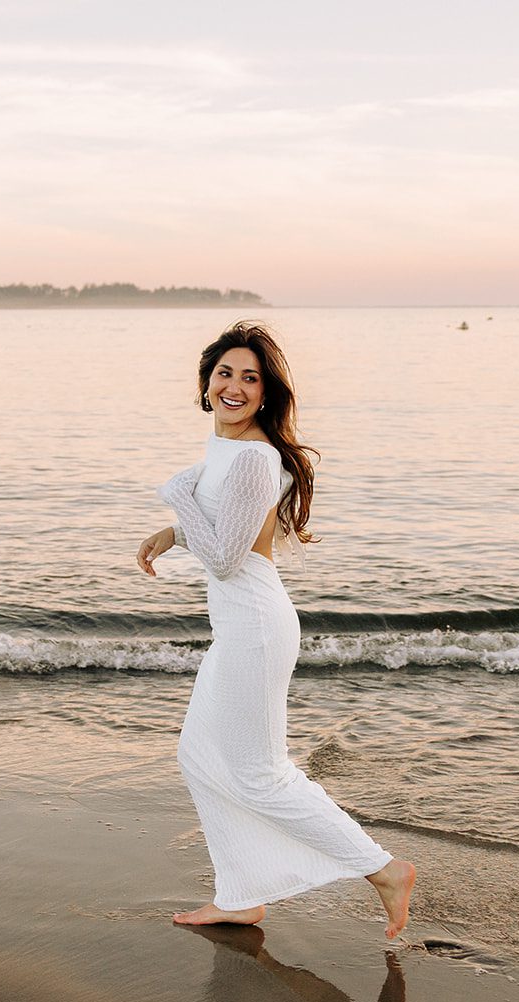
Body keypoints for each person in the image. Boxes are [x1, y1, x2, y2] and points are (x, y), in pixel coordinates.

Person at [136, 321, 415, 937]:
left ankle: (383, 869)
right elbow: (227, 524)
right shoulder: (230, 451)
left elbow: (226, 557)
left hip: (256, 629)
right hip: (239, 628)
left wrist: (178, 497)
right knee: (198, 754)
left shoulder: (255, 458)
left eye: (250, 378)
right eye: (225, 373)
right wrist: (175, 530)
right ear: (206, 382)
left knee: (261, 774)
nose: (234, 387)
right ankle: (240, 894)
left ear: (266, 394)